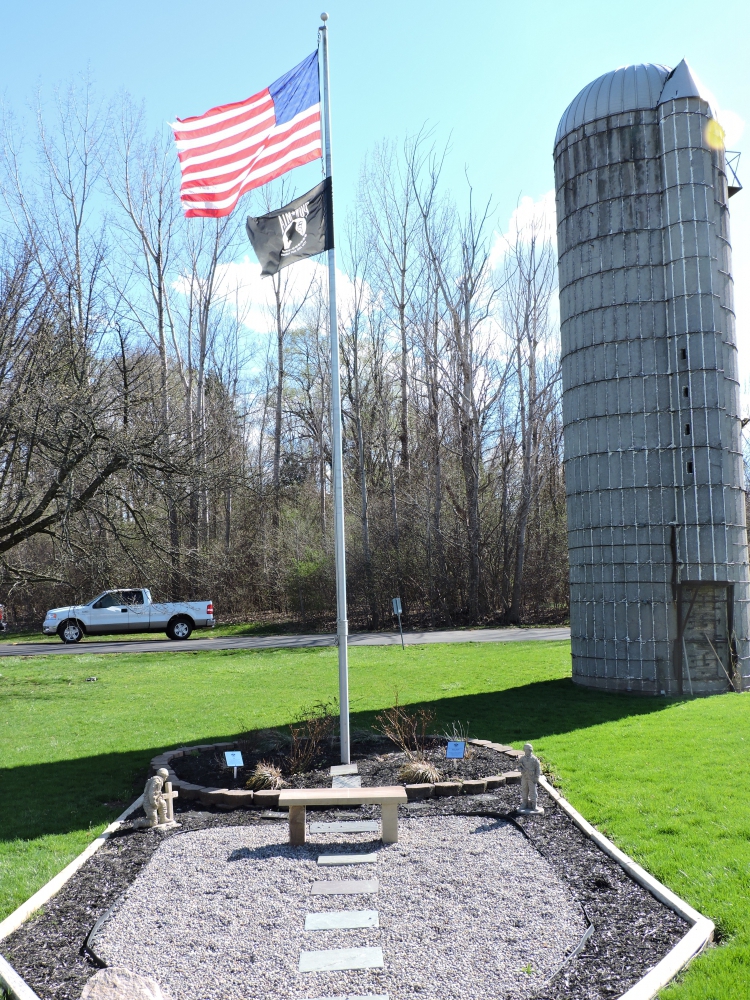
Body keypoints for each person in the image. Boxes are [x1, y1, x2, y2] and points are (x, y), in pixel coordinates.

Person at [518, 742, 541, 812]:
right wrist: (521, 769)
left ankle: (534, 804)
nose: (525, 751)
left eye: (526, 750)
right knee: (524, 789)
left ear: (530, 750)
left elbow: (538, 768)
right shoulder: (522, 759)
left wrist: (537, 777)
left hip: (532, 777)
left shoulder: (534, 759)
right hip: (524, 776)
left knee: (533, 791)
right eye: (524, 750)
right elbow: (519, 767)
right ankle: (524, 803)